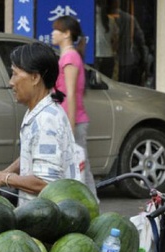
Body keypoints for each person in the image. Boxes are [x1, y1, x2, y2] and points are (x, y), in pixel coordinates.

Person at [0, 42, 81, 206]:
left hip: (48, 222)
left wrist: (4, 178)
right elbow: (33, 153)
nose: (11, 82)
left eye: (15, 74)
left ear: (35, 77)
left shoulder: (47, 120)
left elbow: (46, 183)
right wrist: (4, 173)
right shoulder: (38, 112)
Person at [51, 15, 98, 200]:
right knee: (80, 168)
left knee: (80, 169)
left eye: (57, 30)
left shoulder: (69, 57)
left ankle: (90, 207)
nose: (52, 33)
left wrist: (69, 126)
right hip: (70, 120)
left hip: (74, 121)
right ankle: (92, 205)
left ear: (67, 34)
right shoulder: (67, 56)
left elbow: (70, 93)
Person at [94, 0, 118, 78]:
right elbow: (115, 39)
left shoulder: (92, 19)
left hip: (96, 56)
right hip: (109, 56)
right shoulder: (111, 20)